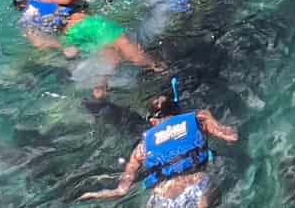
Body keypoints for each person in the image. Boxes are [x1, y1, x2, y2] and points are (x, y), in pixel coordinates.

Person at [78, 81, 238, 206]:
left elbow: (122, 189)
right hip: (198, 186)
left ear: (153, 121)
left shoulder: (143, 146)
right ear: (177, 111)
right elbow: (230, 136)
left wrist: (96, 194)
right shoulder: (199, 117)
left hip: (162, 198)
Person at [13, 0, 163, 72]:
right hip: (89, 25)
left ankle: (100, 92)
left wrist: (64, 46)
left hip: (71, 37)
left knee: (112, 60)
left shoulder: (31, 20)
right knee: (126, 46)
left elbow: (41, 44)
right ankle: (159, 69)